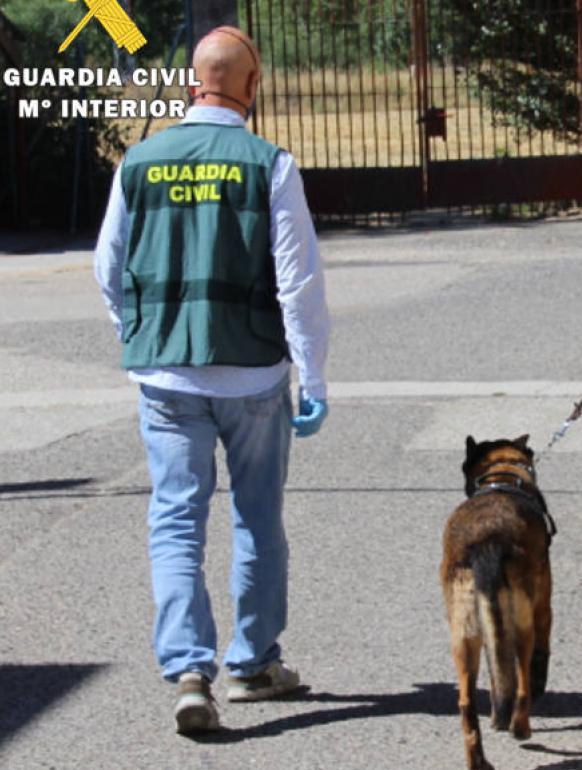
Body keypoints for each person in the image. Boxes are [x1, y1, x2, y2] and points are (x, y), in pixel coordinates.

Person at [93, 26, 331, 732]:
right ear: (251, 88)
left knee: (174, 521)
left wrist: (142, 337)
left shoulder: (139, 161)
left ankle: (188, 671)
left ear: (193, 82)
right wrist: (312, 377)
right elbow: (298, 283)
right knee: (256, 517)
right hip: (254, 373)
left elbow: (110, 270)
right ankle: (253, 663)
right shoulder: (270, 164)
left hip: (165, 377)